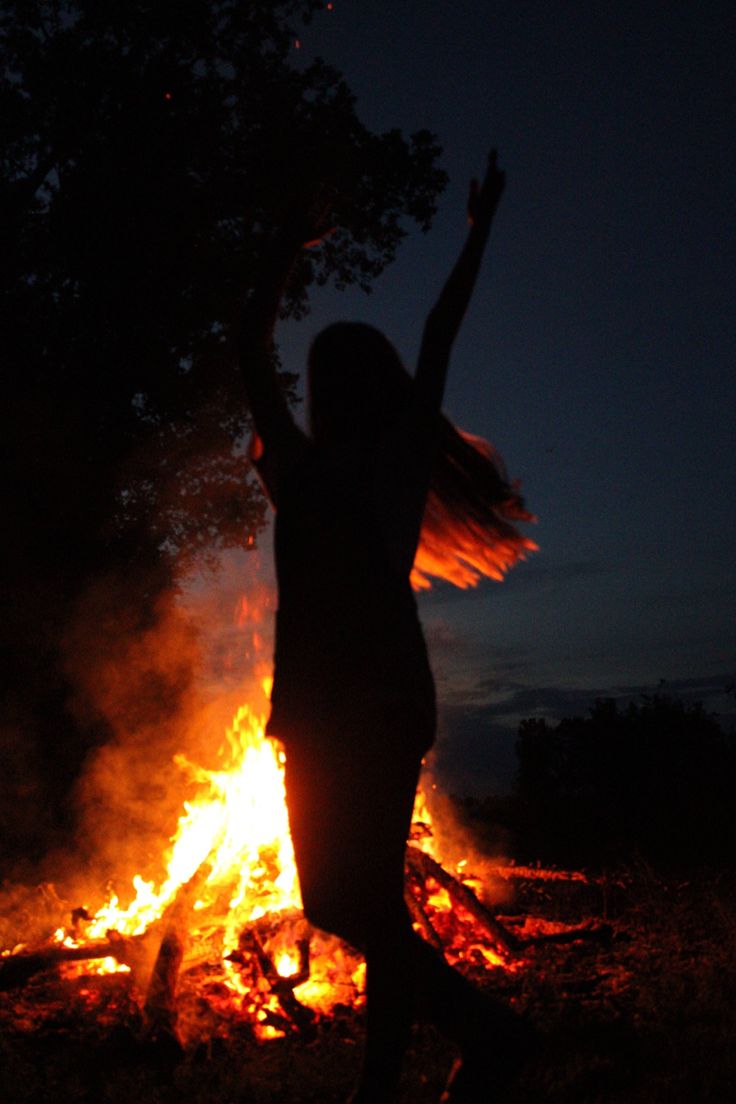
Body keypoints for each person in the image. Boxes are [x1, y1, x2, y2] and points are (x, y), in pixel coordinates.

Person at [238, 152, 536, 1103]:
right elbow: (431, 335)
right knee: (362, 904)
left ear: (334, 389)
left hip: (347, 705)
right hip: (359, 703)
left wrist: (287, 248)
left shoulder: (330, 461)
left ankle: (483, 1036)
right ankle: (405, 1072)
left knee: (344, 899)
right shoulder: (358, 460)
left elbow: (254, 347)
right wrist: (476, 231)